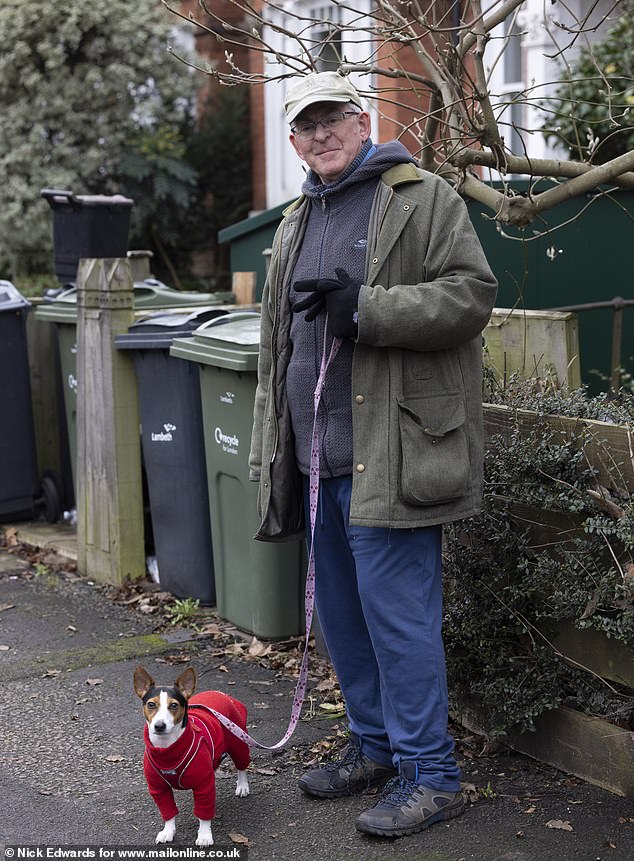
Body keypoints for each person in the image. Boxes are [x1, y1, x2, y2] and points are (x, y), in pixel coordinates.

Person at [249, 70, 497, 838]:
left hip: (394, 452)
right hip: (316, 460)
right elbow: (277, 347)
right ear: (293, 141)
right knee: (344, 622)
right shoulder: (295, 220)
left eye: (331, 120)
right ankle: (376, 747)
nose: (319, 135)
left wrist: (369, 309)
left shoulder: (422, 197)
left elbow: (470, 295)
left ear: (362, 121)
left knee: (400, 624)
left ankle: (435, 776)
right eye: (305, 126)